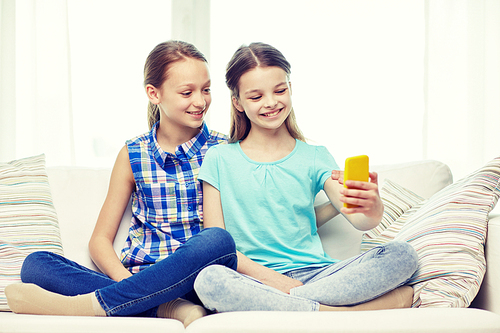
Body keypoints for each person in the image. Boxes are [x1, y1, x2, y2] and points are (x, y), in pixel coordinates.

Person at [5, 40, 238, 327]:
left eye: (206, 89)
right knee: (36, 264)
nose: (200, 101)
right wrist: (132, 285)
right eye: (187, 92)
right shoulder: (133, 153)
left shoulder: (223, 149)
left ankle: (98, 304)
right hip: (137, 276)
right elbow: (99, 241)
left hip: (195, 279)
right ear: (154, 94)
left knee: (218, 241)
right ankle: (163, 306)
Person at [193, 42, 419, 312]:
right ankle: (335, 313)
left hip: (318, 275)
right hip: (254, 280)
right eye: (256, 97)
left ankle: (301, 308)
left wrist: (372, 205)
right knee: (209, 280)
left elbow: (359, 219)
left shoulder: (315, 156)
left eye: (280, 90)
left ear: (290, 89)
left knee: (402, 255)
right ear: (237, 102)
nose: (271, 102)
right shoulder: (219, 158)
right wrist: (277, 282)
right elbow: (217, 245)